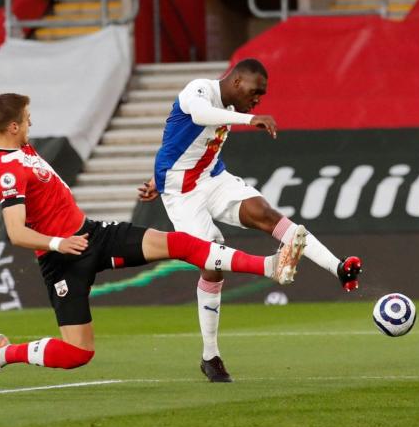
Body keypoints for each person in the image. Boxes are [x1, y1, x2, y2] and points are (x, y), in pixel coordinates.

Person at [0, 12, 306, 387]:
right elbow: (15, 232)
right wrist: (61, 243)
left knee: (181, 244)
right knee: (78, 354)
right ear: (12, 127)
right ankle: (2, 354)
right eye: (27, 120)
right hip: (62, 259)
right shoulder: (7, 170)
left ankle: (270, 266)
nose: (31, 124)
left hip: (91, 233)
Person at [137, 58, 363, 382]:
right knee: (211, 261)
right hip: (182, 194)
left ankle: (338, 268)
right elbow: (199, 116)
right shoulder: (198, 90)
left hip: (212, 178)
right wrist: (249, 117)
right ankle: (210, 355)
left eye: (261, 97)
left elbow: (185, 146)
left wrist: (157, 179)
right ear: (238, 81)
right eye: (256, 93)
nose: (258, 100)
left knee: (266, 214)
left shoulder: (229, 104)